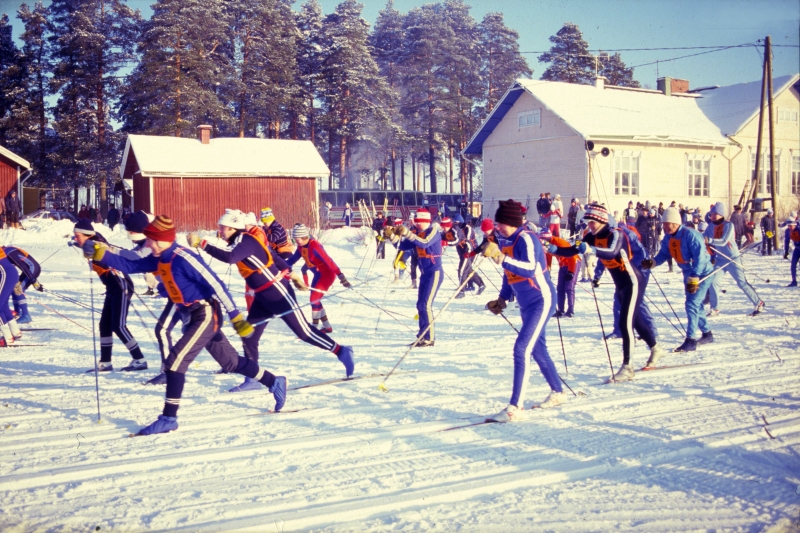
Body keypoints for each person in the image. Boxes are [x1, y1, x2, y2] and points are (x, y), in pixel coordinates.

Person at [84, 215, 286, 435]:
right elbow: (130, 266)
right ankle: (274, 381)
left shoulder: (183, 258)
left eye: (151, 240)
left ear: (162, 240)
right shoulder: (159, 258)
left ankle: (169, 418)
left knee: (175, 362)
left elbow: (216, 285)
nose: (148, 244)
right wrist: (100, 254)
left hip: (205, 313)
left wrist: (236, 317)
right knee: (231, 362)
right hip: (191, 315)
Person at [189, 210, 354, 392]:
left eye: (223, 228)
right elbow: (272, 256)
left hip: (278, 292)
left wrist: (203, 244)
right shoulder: (239, 241)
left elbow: (230, 258)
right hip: (262, 296)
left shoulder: (245, 241)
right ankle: (252, 379)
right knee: (248, 335)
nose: (219, 231)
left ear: (233, 228)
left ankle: (341, 351)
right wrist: (291, 272)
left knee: (304, 332)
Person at [480, 199, 564, 420]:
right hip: (525, 304)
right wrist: (502, 298)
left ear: (512, 222)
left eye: (500, 224)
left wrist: (500, 257)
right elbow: (510, 275)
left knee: (521, 349)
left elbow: (530, 269)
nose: (497, 227)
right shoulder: (506, 240)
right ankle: (558, 391)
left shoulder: (526, 238)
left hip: (541, 300)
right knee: (537, 349)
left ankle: (514, 407)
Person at [555, 204, 661, 378]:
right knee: (635, 321)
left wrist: (592, 249)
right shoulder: (590, 236)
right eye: (588, 223)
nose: (589, 226)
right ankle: (656, 348)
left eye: (592, 222)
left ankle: (628, 367)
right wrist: (553, 249)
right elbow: (571, 249)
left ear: (601, 221)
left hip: (633, 281)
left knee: (624, 323)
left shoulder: (616, 234)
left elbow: (611, 252)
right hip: (620, 284)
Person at [72, 219, 148, 372]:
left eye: (77, 236)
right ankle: (105, 362)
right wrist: (82, 244)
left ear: (86, 235)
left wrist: (92, 247)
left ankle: (139, 359)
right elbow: (96, 239)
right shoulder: (91, 242)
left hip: (121, 285)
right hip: (112, 287)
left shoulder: (96, 244)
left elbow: (102, 247)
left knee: (118, 325)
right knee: (104, 325)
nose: (75, 238)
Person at [642, 207, 714, 353]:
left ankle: (691, 340)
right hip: (688, 272)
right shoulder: (669, 237)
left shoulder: (691, 235)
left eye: (668, 224)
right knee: (695, 304)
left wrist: (694, 277)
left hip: (702, 273)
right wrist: (652, 262)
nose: (665, 227)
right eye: (664, 224)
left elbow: (700, 259)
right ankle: (707, 333)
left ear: (676, 222)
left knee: (691, 304)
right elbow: (663, 254)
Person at [385, 209, 443, 347]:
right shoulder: (417, 232)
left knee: (426, 305)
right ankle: (422, 335)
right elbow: (403, 246)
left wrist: (407, 233)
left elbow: (424, 243)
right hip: (424, 274)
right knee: (420, 305)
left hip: (434, 273)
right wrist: (392, 237)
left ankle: (429, 338)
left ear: (426, 221)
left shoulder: (433, 231)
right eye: (416, 222)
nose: (417, 225)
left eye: (420, 222)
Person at [703, 202, 765, 316]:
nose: (711, 216)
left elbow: (723, 241)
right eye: (711, 214)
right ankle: (715, 308)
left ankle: (759, 302)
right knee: (713, 281)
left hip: (732, 258)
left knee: (741, 282)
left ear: (720, 214)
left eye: (714, 214)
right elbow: (703, 237)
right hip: (720, 259)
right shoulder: (711, 226)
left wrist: (709, 241)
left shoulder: (728, 225)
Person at [287, 223, 350, 333]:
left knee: (314, 299)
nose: (296, 241)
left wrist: (341, 277)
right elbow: (291, 260)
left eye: (297, 239)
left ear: (304, 236)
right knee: (315, 300)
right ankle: (327, 327)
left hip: (327, 275)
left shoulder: (315, 246)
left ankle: (314, 328)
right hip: (318, 275)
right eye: (295, 239)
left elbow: (329, 261)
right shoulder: (301, 247)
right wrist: (276, 266)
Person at [539, 230, 580, 317]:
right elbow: (548, 258)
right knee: (560, 288)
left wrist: (571, 272)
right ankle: (560, 310)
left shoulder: (559, 242)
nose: (543, 241)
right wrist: (547, 271)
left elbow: (572, 257)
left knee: (569, 287)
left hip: (573, 263)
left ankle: (570, 310)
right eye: (542, 240)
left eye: (545, 239)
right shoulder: (547, 245)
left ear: (549, 238)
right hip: (562, 265)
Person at [122, 211, 158, 296]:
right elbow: (136, 250)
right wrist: (126, 253)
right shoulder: (143, 240)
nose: (130, 235)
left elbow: (140, 254)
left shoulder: (150, 240)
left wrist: (117, 252)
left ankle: (156, 289)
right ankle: (152, 288)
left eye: (131, 232)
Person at [4, 246, 42, 325]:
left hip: (31, 270)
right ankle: (17, 314)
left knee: (19, 290)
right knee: (14, 289)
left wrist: (33, 280)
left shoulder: (8, 252)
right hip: (28, 270)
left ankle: (26, 315)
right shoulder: (6, 250)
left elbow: (23, 266)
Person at [453, 213, 485, 298]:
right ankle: (480, 285)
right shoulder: (456, 229)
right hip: (462, 252)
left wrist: (457, 240)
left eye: (457, 223)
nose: (456, 225)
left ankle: (462, 291)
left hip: (470, 251)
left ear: (461, 222)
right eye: (455, 223)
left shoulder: (467, 228)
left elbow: (465, 240)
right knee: (468, 269)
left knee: (463, 270)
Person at [787, 218, 799, 287]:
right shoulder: (788, 231)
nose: (789, 227)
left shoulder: (799, 230)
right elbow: (787, 241)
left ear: (794, 225)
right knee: (793, 264)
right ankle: (794, 281)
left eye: (790, 226)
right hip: (797, 249)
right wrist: (786, 251)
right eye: (788, 226)